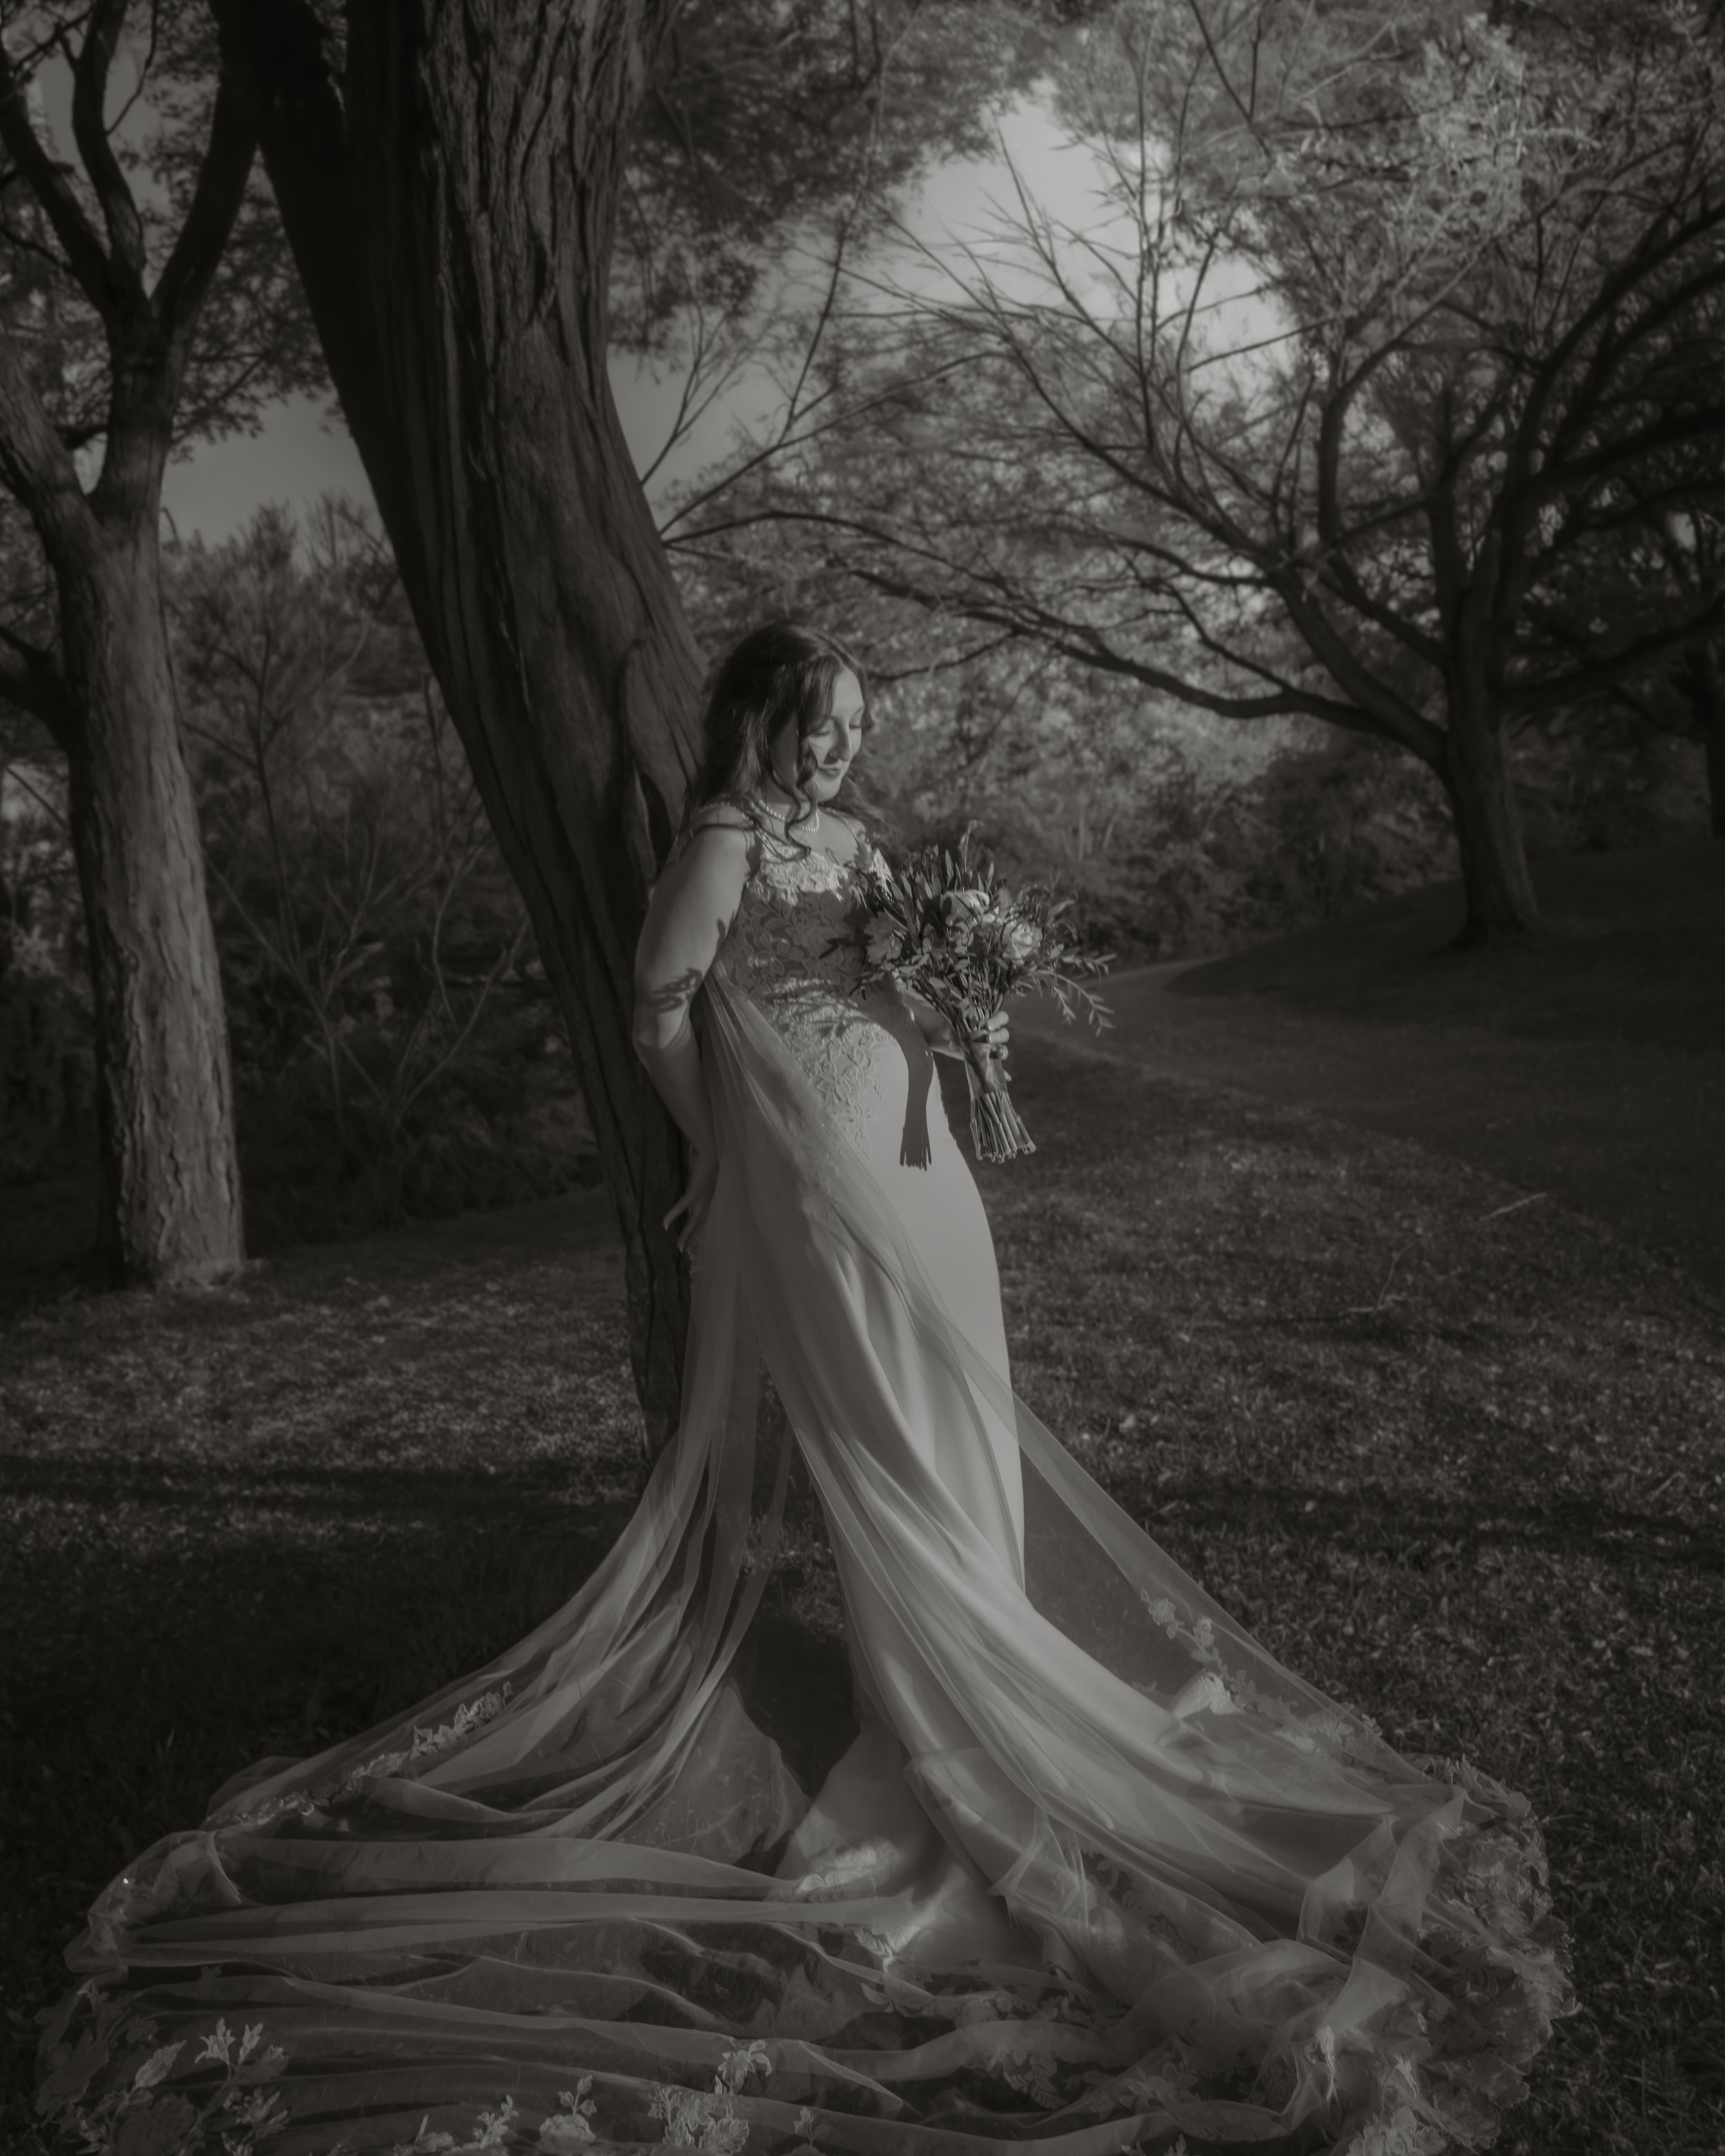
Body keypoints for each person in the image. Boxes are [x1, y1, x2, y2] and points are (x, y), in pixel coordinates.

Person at [39, 622, 1571, 2156]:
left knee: (964, 1410)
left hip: (928, 1177)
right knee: (893, 1434)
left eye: (852, 724)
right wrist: (731, 1148)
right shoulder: (718, 845)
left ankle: (1005, 1660)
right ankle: (961, 1724)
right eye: (816, 723)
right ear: (755, 722)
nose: (838, 747)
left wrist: (963, 1009)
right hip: (825, 1183)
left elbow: (883, 978)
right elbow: (660, 1009)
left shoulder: (845, 840)